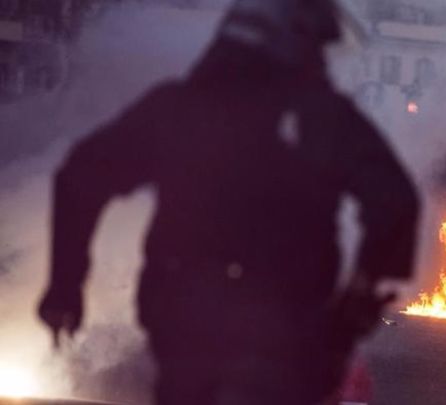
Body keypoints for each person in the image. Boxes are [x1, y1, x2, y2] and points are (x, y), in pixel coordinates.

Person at [37, 1, 419, 404]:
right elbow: (395, 202)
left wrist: (65, 288)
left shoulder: (177, 108)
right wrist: (354, 308)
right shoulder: (322, 118)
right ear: (294, 41)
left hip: (186, 335)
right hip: (287, 343)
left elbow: (80, 178)